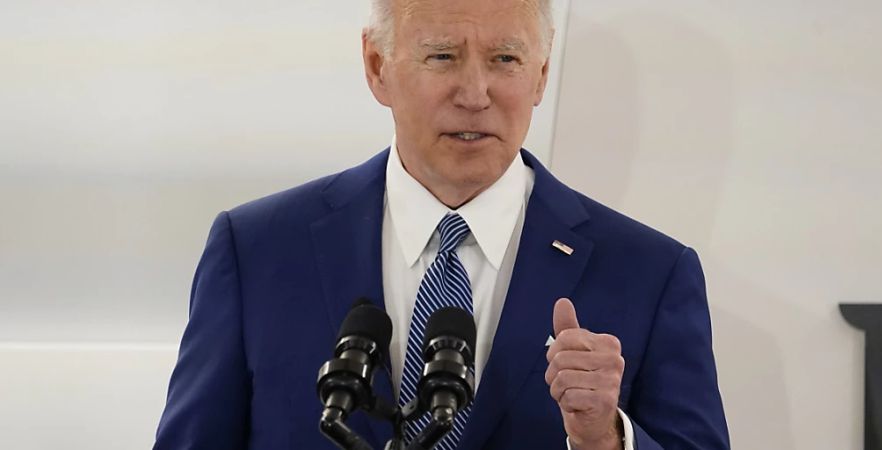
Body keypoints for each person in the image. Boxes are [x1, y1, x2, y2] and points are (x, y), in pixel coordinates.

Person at [153, 0, 730, 449]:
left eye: (505, 59)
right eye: (442, 56)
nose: (475, 93)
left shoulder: (649, 274)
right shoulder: (256, 251)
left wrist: (606, 439)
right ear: (377, 68)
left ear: (541, 75)